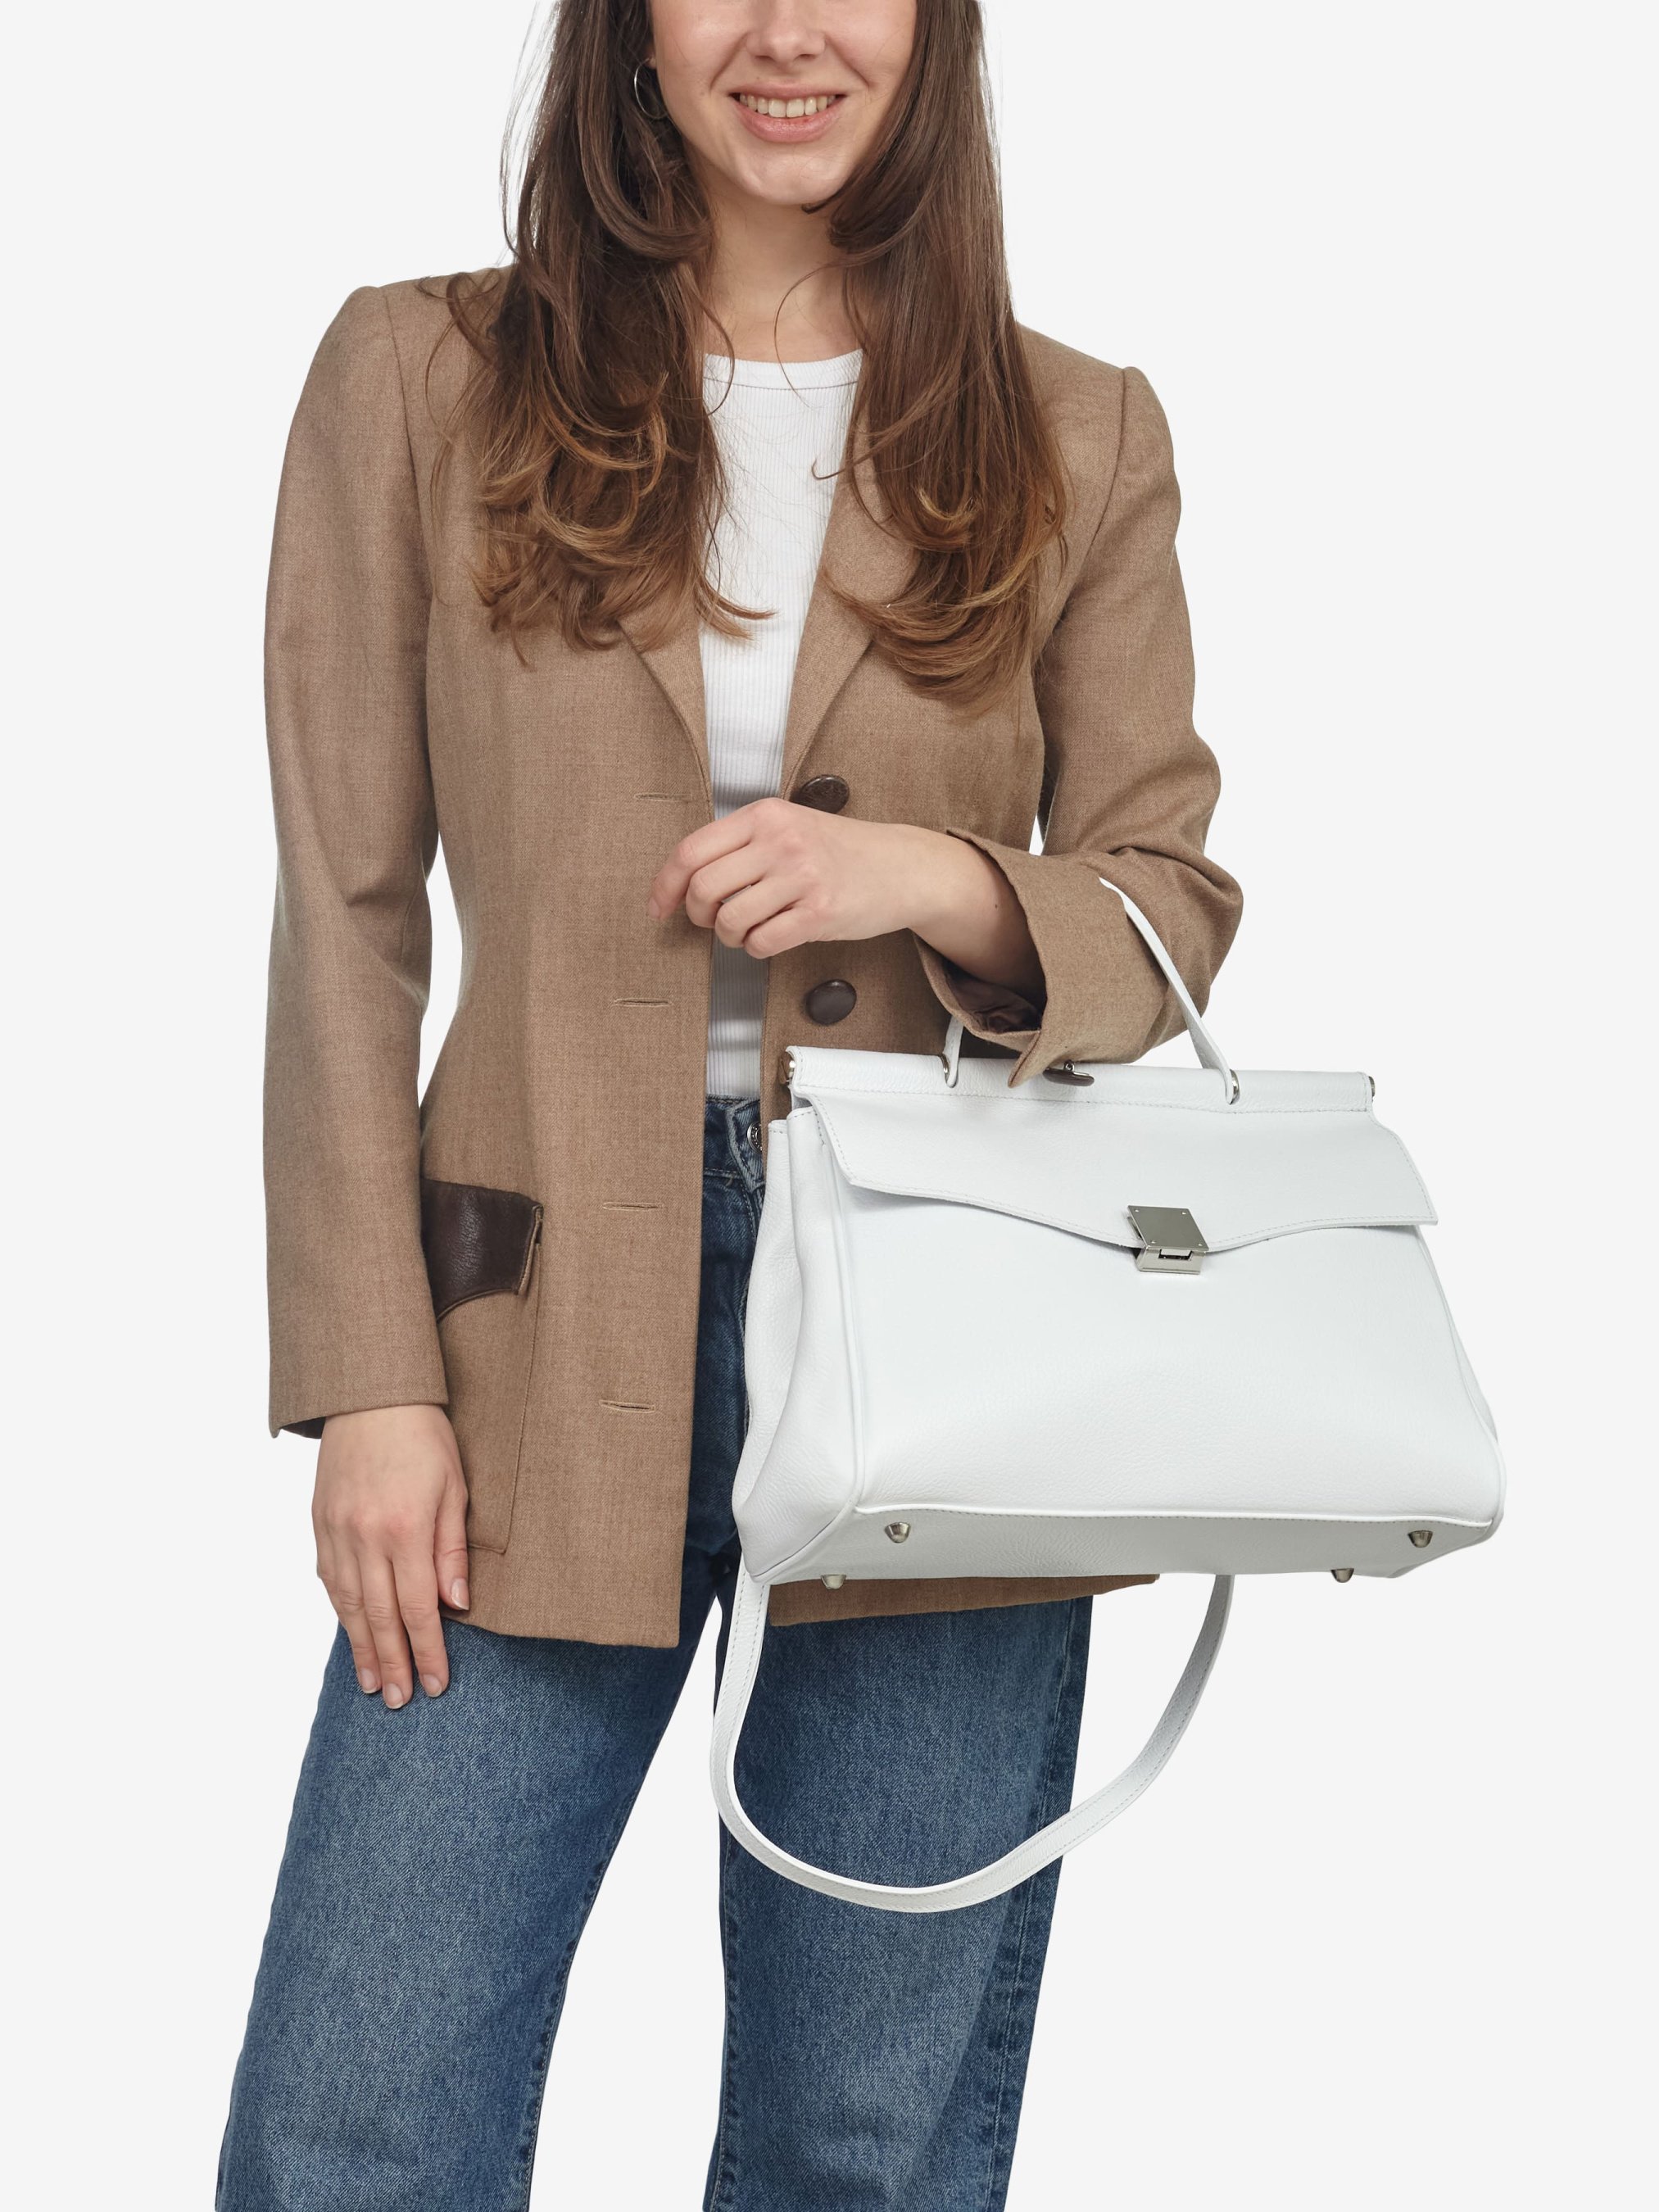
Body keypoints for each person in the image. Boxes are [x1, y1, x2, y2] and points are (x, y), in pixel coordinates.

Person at [218, 2, 1243, 2204]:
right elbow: (342, 912)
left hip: (944, 1329)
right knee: (351, 2126)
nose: (787, 33)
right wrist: (368, 1378)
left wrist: (941, 880)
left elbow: (1167, 904)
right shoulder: (420, 376)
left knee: (857, 2144)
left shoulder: (1077, 427)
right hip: (526, 1319)